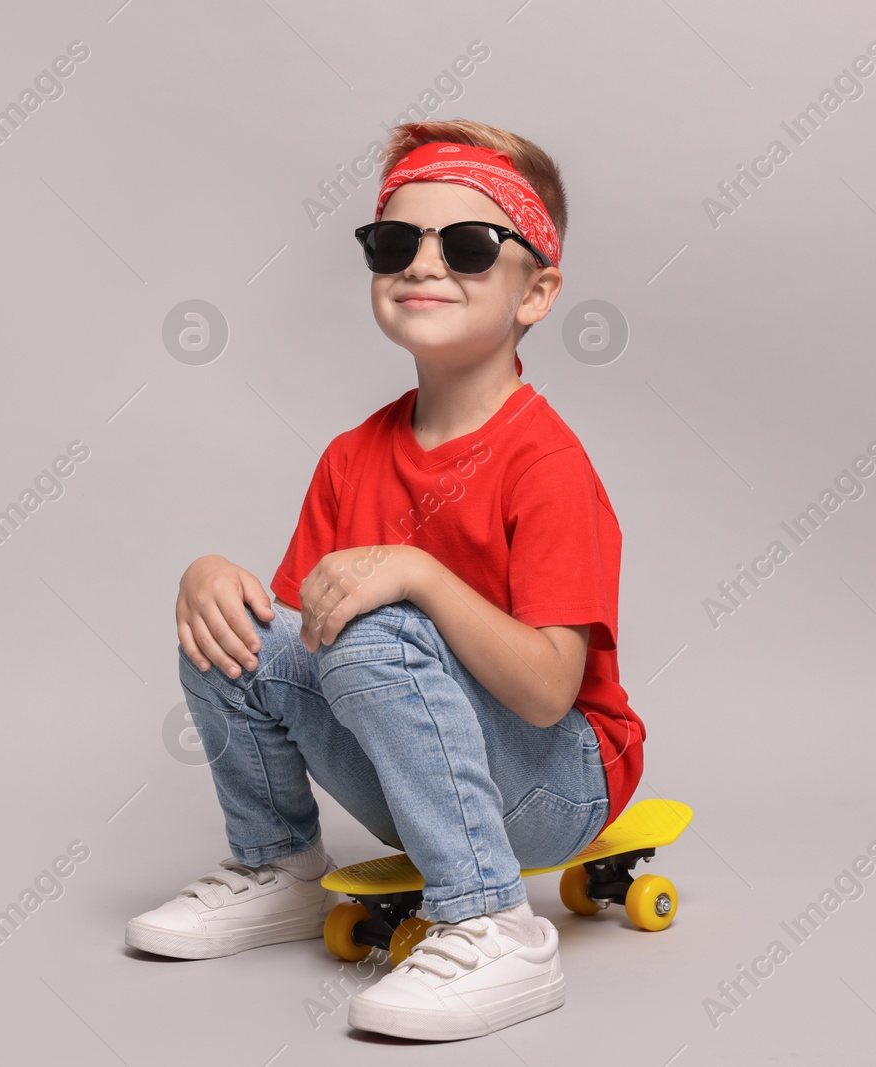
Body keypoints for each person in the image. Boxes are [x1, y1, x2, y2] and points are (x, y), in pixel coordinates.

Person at [124, 119, 645, 1041]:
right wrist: (210, 580)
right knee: (232, 633)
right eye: (395, 242)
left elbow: (548, 690)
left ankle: (493, 924)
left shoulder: (548, 466)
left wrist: (420, 575)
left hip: (557, 778)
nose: (423, 264)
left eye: (472, 246)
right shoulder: (350, 457)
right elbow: (298, 650)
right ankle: (277, 864)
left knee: (380, 622)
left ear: (539, 293)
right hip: (419, 768)